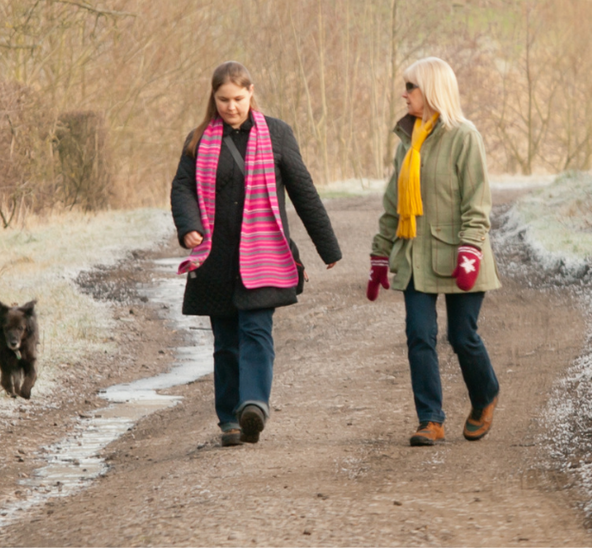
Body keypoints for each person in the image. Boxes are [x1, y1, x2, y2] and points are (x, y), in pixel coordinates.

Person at [171, 61, 341, 447]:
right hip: (215, 258)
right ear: (212, 98)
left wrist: (326, 246)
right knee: (226, 341)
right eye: (222, 100)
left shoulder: (277, 134)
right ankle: (229, 419)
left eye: (237, 98)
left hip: (264, 254)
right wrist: (188, 226)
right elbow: (182, 188)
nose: (230, 106)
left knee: (256, 331)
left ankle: (253, 406)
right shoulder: (197, 139)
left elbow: (303, 190)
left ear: (251, 93)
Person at [366, 56, 501, 447]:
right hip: (414, 256)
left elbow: (478, 202)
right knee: (419, 335)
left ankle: (485, 394)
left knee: (462, 336)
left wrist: (471, 250)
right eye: (405, 87)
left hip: (460, 255)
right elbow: (393, 205)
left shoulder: (465, 136)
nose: (404, 94)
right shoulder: (407, 141)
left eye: (411, 87)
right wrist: (379, 254)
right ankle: (431, 419)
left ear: (432, 90)